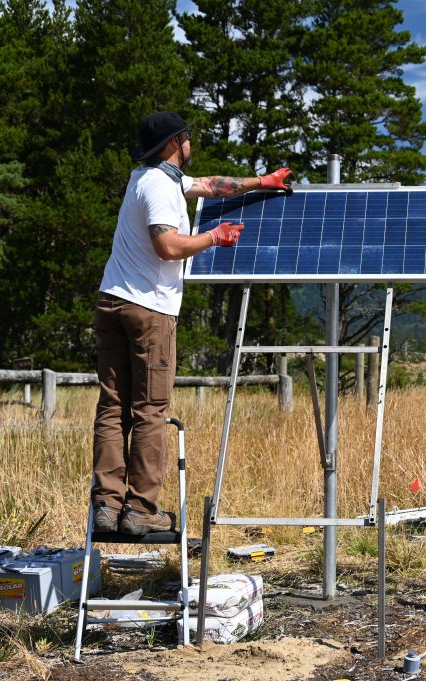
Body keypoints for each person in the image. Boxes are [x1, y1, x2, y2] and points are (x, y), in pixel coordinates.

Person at [92, 111, 292, 535]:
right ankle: (142, 509)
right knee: (149, 409)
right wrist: (214, 237)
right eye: (186, 137)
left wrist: (262, 182)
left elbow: (210, 184)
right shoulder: (162, 190)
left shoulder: (145, 178)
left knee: (113, 406)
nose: (190, 142)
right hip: (149, 310)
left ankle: (107, 506)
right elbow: (168, 246)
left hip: (111, 301)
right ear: (174, 142)